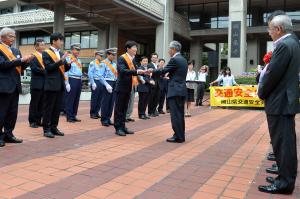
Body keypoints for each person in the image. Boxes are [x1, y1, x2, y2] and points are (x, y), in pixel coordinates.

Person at [257, 14, 299, 194]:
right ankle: (284, 177)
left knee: (283, 143)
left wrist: (261, 92)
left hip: (279, 101)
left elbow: (273, 75)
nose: (269, 33)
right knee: (284, 142)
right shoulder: (294, 42)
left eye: (270, 29)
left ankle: (284, 183)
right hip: (285, 100)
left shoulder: (283, 45)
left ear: (279, 29)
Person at [0, 27, 33, 147]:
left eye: (14, 36)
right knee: (1, 112)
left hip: (15, 85)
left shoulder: (15, 50)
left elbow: (19, 68)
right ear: (2, 37)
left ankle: (9, 134)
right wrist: (19, 60)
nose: (13, 38)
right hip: (3, 86)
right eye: (10, 36)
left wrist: (27, 62)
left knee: (12, 113)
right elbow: (2, 65)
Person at [149, 41, 188, 143]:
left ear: (173, 49)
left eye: (169, 49)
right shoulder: (183, 59)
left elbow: (164, 70)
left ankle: (178, 136)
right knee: (180, 114)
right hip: (181, 89)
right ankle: (180, 135)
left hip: (175, 90)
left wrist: (151, 71)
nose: (168, 51)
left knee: (175, 114)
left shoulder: (174, 59)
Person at [42, 32, 71, 138]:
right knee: (48, 108)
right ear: (54, 41)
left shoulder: (60, 53)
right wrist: (61, 60)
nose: (62, 43)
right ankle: (46, 129)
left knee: (57, 108)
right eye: (60, 40)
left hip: (60, 84)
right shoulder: (46, 53)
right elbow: (49, 67)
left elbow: (64, 69)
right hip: (51, 84)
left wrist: (68, 64)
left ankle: (54, 127)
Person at [114, 40, 145, 136]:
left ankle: (123, 126)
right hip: (122, 87)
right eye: (134, 49)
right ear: (128, 49)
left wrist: (144, 72)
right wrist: (137, 72)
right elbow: (123, 71)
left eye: (136, 49)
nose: (135, 51)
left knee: (125, 108)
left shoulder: (133, 59)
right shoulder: (122, 58)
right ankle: (118, 128)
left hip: (129, 87)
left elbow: (136, 70)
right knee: (119, 108)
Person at [28, 39, 46, 128]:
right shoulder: (33, 56)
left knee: (42, 104)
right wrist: (46, 71)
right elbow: (34, 68)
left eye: (44, 45)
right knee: (34, 103)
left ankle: (39, 120)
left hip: (44, 84)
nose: (43, 47)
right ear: (36, 46)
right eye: (41, 45)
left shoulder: (45, 56)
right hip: (36, 84)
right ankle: (32, 121)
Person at [64, 43, 83, 123]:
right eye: (76, 49)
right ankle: (69, 116)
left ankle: (74, 115)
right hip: (72, 79)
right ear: (72, 50)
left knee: (76, 99)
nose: (78, 51)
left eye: (79, 50)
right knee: (70, 99)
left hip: (78, 80)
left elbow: (80, 71)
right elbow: (66, 71)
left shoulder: (79, 60)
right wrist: (67, 83)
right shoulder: (68, 58)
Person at [100, 48, 117, 127]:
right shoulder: (103, 63)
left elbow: (115, 75)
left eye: (114, 55)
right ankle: (104, 119)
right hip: (107, 83)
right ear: (108, 54)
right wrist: (106, 85)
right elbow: (100, 76)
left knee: (111, 102)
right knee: (105, 102)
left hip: (113, 83)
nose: (114, 56)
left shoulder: (114, 64)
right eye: (112, 55)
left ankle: (108, 118)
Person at [88, 50, 106, 119]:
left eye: (102, 56)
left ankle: (96, 112)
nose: (101, 57)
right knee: (95, 98)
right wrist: (92, 83)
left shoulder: (101, 64)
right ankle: (92, 113)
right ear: (96, 55)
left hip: (101, 81)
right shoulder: (93, 63)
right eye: (100, 55)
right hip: (95, 81)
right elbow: (90, 73)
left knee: (100, 98)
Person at [148, 52, 160, 117]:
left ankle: (154, 110)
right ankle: (150, 112)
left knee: (156, 98)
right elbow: (150, 75)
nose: (154, 59)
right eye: (153, 57)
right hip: (152, 83)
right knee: (151, 98)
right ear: (151, 58)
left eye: (156, 58)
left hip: (158, 84)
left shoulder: (157, 66)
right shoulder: (149, 65)